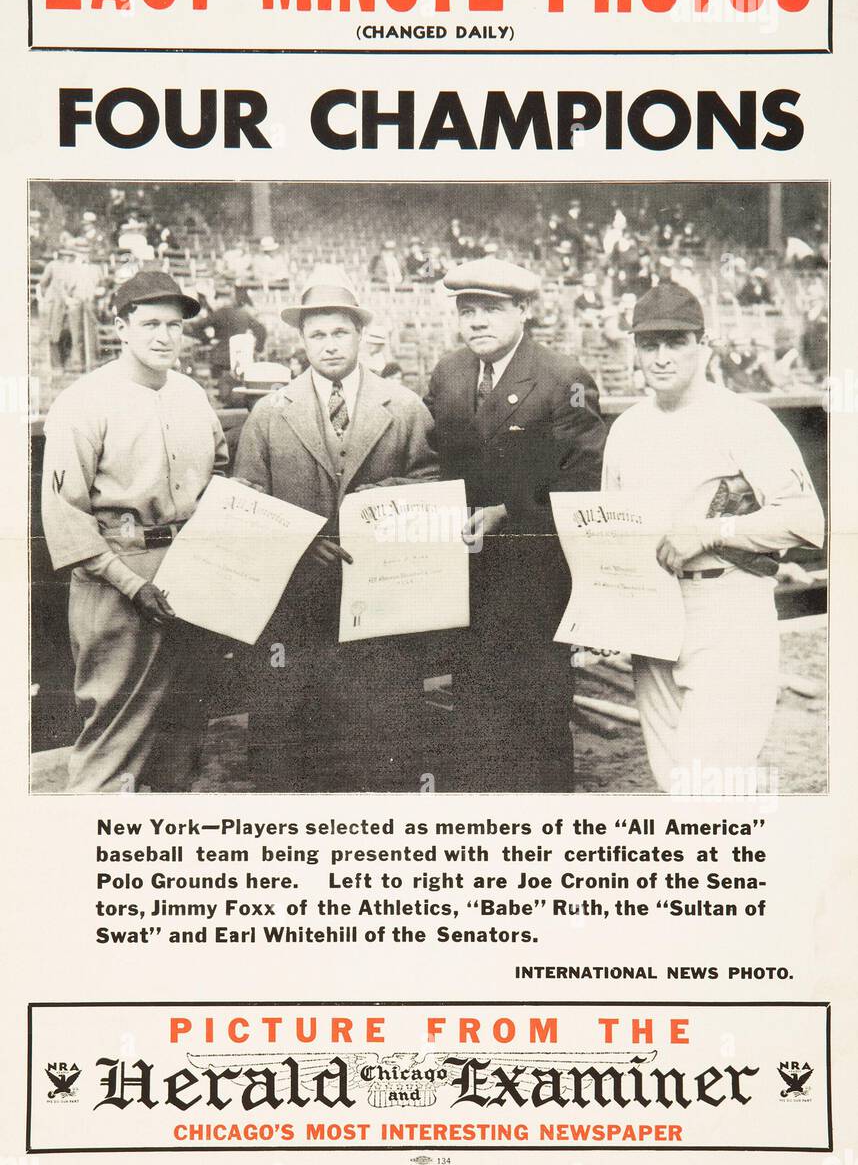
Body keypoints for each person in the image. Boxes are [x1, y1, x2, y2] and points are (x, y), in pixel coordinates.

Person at [601, 280, 825, 794]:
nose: (661, 357)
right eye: (649, 344)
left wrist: (707, 530)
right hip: (654, 615)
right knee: (673, 776)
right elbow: (614, 529)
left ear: (704, 345)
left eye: (676, 342)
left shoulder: (746, 419)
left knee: (713, 782)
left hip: (727, 606)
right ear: (635, 350)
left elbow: (807, 521)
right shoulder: (627, 428)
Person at [233, 267, 439, 791]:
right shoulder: (268, 413)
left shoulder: (406, 407)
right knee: (293, 731)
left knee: (381, 730)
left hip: (381, 599)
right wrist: (299, 543)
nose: (329, 345)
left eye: (339, 332)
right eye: (317, 334)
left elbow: (432, 485)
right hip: (295, 600)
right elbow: (246, 504)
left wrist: (385, 499)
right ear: (301, 341)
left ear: (360, 336)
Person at [40, 271, 229, 793]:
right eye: (149, 324)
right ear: (121, 326)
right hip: (117, 578)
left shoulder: (191, 394)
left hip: (189, 575)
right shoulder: (83, 402)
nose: (164, 336)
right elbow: (64, 516)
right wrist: (132, 584)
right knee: (112, 743)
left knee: (182, 740)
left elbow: (220, 474)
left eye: (174, 324)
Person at [425, 256, 606, 791]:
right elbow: (440, 462)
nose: (476, 322)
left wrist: (509, 511)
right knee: (474, 713)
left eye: (491, 310)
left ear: (524, 310)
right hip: (467, 577)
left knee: (540, 719)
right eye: (467, 310)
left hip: (536, 580)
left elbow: (585, 482)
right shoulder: (449, 372)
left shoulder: (562, 378)